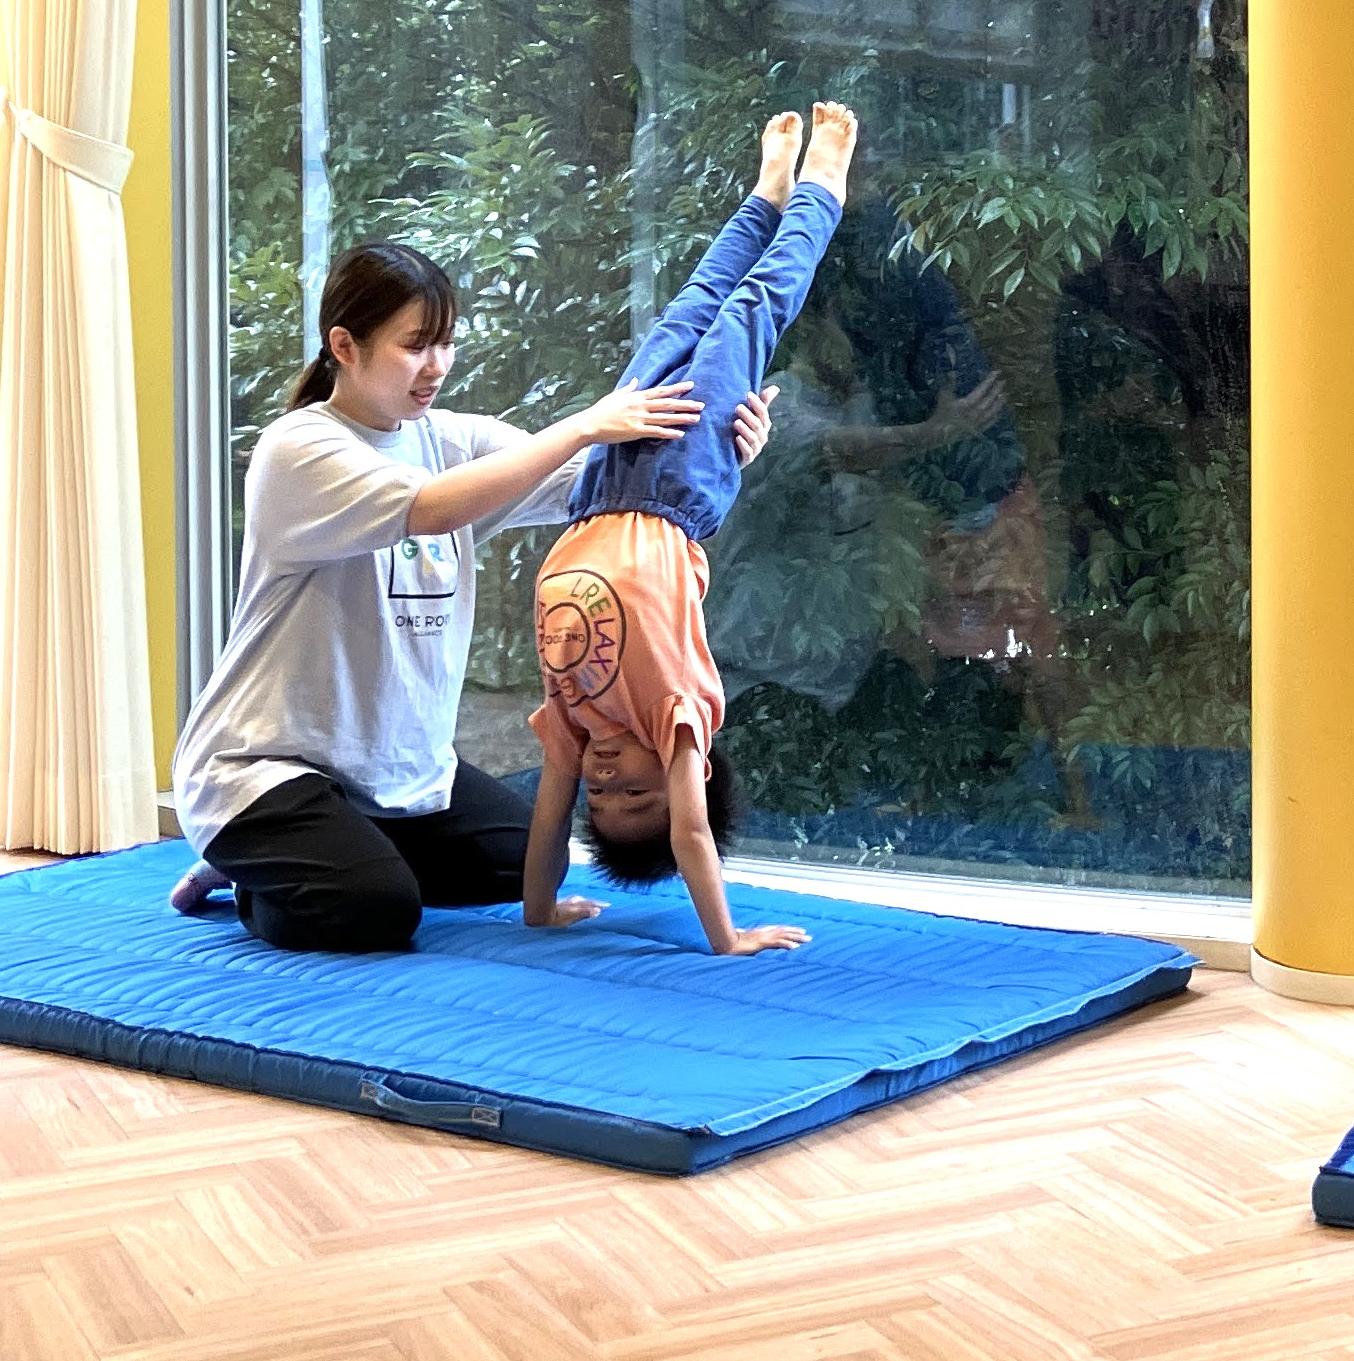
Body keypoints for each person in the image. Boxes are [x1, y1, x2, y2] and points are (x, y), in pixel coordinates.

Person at [168, 242, 769, 954]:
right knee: (376, 911)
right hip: (264, 767)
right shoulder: (298, 447)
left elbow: (604, 484)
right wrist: (584, 421)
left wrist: (721, 454)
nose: (437, 365)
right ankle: (254, 869)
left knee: (523, 861)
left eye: (445, 342)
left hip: (390, 776)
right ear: (345, 346)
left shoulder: (451, 439)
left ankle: (323, 851)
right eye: (415, 345)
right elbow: (432, 506)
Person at [518, 102, 855, 954]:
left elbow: (547, 820)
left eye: (602, 800)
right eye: (635, 794)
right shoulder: (678, 713)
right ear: (685, 778)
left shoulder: (571, 721)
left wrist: (538, 909)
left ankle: (765, 195)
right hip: (677, 489)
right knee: (749, 311)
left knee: (691, 306)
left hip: (601, 484)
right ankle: (822, 188)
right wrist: (726, 936)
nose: (605, 782)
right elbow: (692, 834)